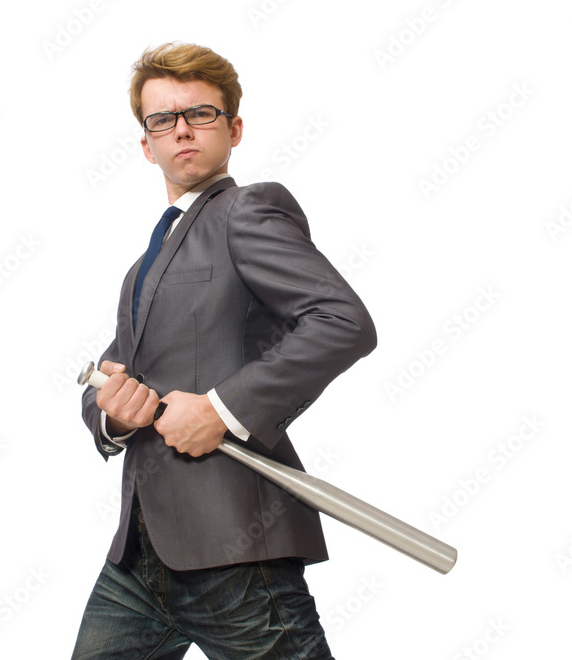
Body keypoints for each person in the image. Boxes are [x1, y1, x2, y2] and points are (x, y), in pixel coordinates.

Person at [73, 42, 376, 659]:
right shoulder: (144, 266)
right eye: (163, 119)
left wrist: (221, 409)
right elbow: (113, 373)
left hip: (236, 550)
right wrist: (114, 414)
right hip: (138, 559)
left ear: (234, 129)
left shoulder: (247, 211)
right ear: (146, 144)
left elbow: (341, 321)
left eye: (200, 113)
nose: (181, 129)